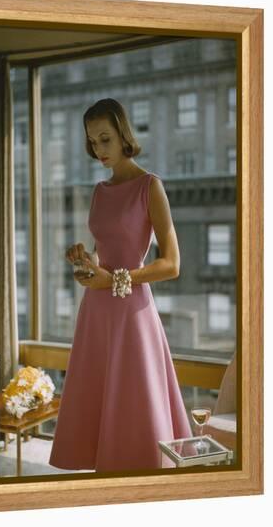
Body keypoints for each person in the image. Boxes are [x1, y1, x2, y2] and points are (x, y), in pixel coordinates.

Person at [48, 98, 193, 473]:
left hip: (132, 313)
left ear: (124, 135)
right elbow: (102, 257)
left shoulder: (150, 186)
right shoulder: (99, 190)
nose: (98, 149)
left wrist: (117, 279)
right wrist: (84, 262)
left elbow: (172, 264)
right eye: (92, 141)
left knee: (134, 405)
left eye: (105, 139)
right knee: (99, 405)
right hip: (97, 312)